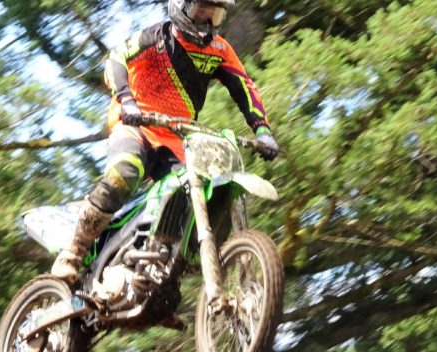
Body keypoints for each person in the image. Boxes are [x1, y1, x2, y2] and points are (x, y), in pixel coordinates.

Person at [51, 0, 281, 283]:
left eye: (215, 13)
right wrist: (126, 99)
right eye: (201, 10)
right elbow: (116, 59)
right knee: (124, 172)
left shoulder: (219, 49)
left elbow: (244, 86)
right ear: (180, 7)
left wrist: (262, 130)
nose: (207, 19)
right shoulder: (155, 37)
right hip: (136, 126)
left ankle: (164, 261)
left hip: (176, 139)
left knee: (195, 191)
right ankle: (74, 252)